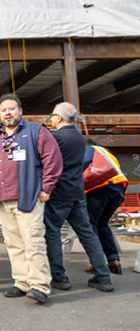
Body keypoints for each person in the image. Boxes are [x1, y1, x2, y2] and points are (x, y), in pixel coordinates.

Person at [0, 94, 62, 304]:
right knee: (13, 243)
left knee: (33, 241)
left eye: (11, 109)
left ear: (20, 111)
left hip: (28, 197)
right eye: (3, 110)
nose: (7, 113)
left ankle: (40, 285)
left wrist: (46, 187)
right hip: (4, 198)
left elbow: (53, 160)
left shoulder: (36, 131)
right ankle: (22, 282)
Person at [44, 102, 114, 292]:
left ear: (58, 118)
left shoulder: (55, 137)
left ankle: (59, 277)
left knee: (52, 233)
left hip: (59, 193)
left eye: (52, 115)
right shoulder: (78, 136)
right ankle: (103, 277)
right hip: (77, 192)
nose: (50, 118)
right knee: (87, 234)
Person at [84, 138, 128, 275]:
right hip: (118, 190)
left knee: (91, 225)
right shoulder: (107, 153)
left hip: (99, 189)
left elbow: (83, 163)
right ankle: (113, 259)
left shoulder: (90, 149)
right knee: (102, 224)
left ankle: (97, 262)